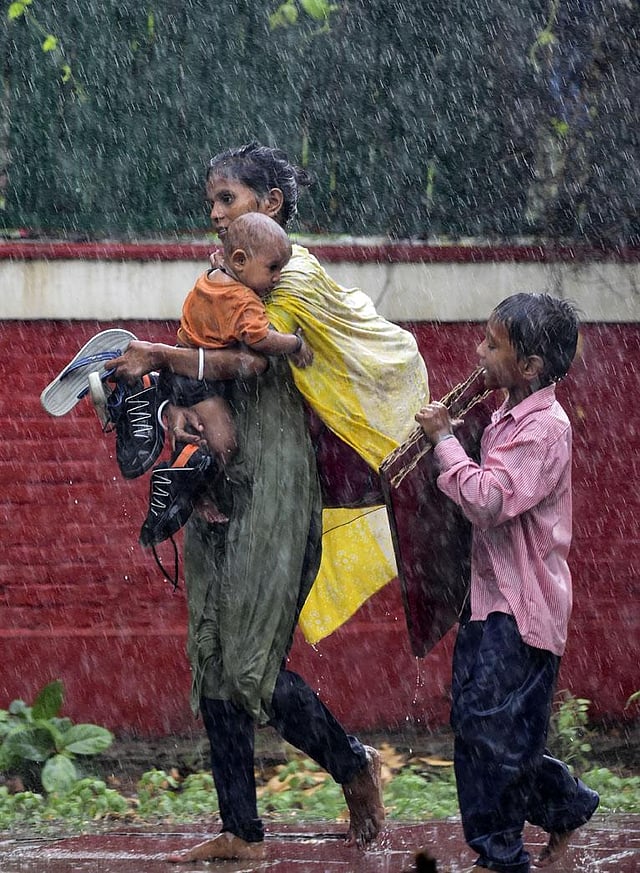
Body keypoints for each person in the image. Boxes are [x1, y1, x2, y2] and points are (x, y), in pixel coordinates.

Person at [105, 142, 429, 862]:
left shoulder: (292, 274)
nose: (213, 215)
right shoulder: (229, 273)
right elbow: (205, 360)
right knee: (213, 656)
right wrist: (177, 413)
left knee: (252, 664)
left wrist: (160, 356)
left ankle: (354, 764)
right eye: (212, 201)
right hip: (219, 472)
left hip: (279, 477)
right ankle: (241, 832)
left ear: (270, 204)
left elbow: (253, 359)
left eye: (228, 200)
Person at [415, 293, 599, 873]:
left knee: (493, 732)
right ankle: (565, 807)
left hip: (523, 611)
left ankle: (500, 854)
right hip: (489, 603)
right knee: (482, 726)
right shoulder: (504, 416)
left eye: (492, 344)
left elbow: (489, 500)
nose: (479, 351)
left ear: (530, 367)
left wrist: (445, 440)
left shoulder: (544, 430)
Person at [134, 211, 313, 544]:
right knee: (224, 443)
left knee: (201, 435)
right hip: (201, 382)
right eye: (273, 269)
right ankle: (181, 481)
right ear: (241, 260)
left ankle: (193, 485)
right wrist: (295, 343)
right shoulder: (244, 301)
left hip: (182, 367)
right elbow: (261, 339)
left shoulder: (212, 277)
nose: (277, 278)